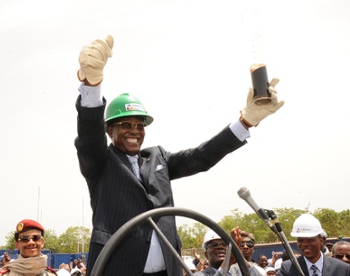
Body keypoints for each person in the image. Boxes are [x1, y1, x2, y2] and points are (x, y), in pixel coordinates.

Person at [74, 35, 284, 276]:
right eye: (125, 125)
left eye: (139, 125)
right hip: (117, 269)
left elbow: (200, 157)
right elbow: (88, 136)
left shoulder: (157, 157)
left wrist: (246, 122)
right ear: (110, 130)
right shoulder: (100, 162)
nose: (134, 131)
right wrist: (92, 84)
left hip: (169, 270)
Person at [277, 214, 350, 276]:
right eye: (300, 240)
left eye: (310, 240)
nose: (305, 244)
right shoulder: (288, 268)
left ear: (321, 240)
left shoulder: (342, 269)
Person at [193, 229, 265, 276]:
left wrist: (238, 255)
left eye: (224, 244)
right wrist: (229, 260)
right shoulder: (199, 275)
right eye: (214, 245)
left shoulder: (238, 272)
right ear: (206, 255)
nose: (220, 247)